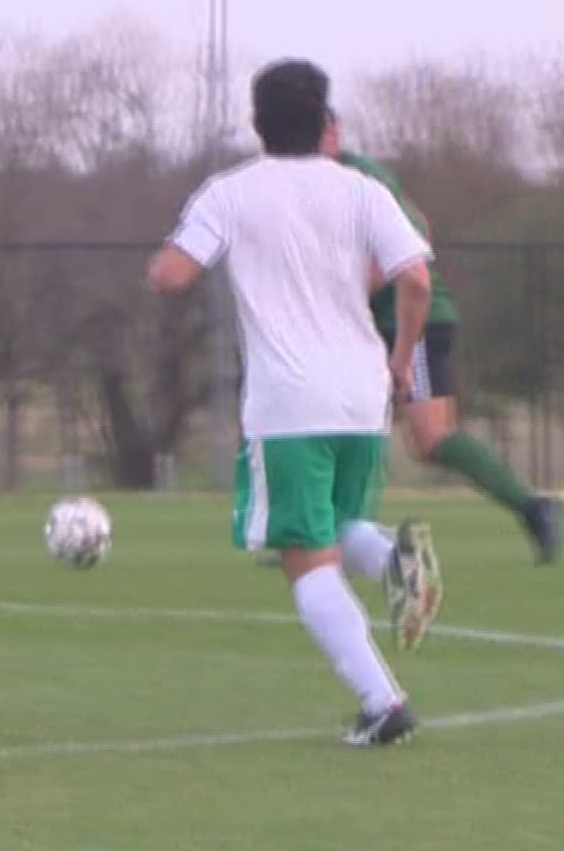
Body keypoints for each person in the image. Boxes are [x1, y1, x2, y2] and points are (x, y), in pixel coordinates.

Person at [147, 59, 441, 749]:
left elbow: (172, 275)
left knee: (302, 554)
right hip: (361, 393)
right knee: (329, 524)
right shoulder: (363, 191)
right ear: (324, 122)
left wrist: (164, 266)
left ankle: (382, 701)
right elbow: (418, 281)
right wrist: (400, 362)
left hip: (289, 403)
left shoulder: (231, 193)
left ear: (258, 125)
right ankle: (397, 560)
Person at [321, 118, 564, 565]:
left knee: (430, 438)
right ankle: (330, 533)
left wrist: (357, 288)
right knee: (342, 418)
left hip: (412, 323)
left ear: (333, 136)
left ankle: (533, 506)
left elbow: (413, 230)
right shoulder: (311, 188)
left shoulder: (357, 176)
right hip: (383, 326)